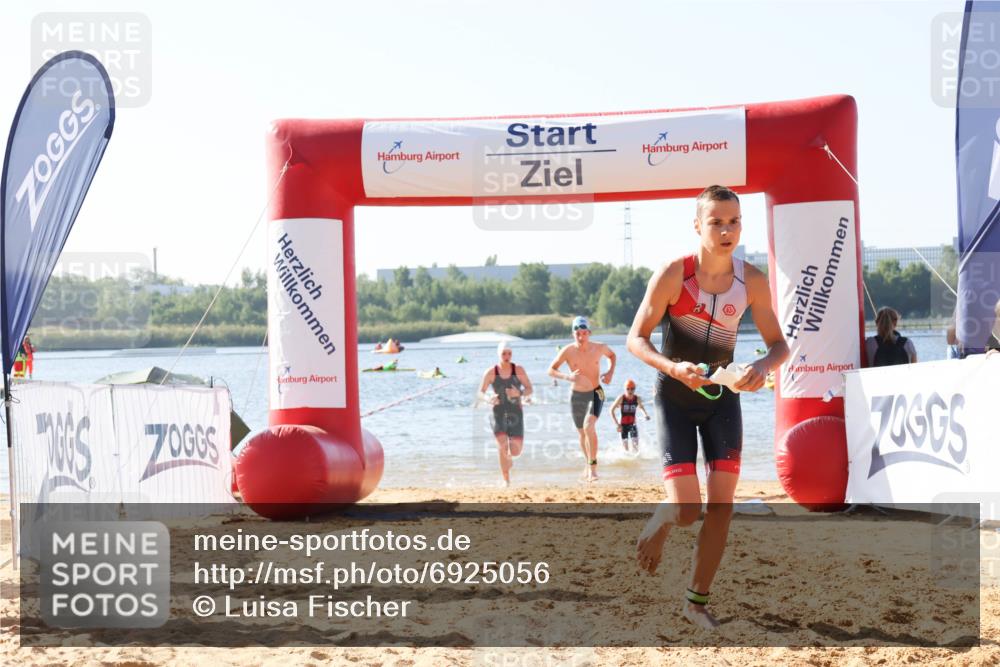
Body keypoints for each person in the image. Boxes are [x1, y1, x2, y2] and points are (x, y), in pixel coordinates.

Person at [626, 185, 789, 630]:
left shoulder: (751, 279)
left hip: (722, 402)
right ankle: (663, 519)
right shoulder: (673, 275)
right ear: (698, 226)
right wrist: (672, 367)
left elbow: (780, 346)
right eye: (716, 222)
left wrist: (760, 366)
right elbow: (635, 339)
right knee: (686, 510)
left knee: (721, 507)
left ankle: (695, 603)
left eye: (733, 221)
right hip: (675, 399)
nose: (725, 230)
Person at [548, 316, 616, 482]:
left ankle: (593, 469)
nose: (581, 337)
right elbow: (551, 370)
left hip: (595, 392)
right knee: (581, 432)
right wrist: (567, 376)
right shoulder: (567, 351)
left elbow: (612, 356)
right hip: (576, 396)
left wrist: (609, 373)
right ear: (573, 334)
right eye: (577, 333)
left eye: (584, 333)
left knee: (589, 426)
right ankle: (587, 464)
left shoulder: (599, 348)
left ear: (589, 333)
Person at [478, 341, 533, 487]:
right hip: (498, 412)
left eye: (509, 353)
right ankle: (506, 480)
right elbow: (480, 392)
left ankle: (509, 460)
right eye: (503, 353)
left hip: (516, 412)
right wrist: (488, 398)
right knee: (502, 446)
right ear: (499, 354)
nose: (507, 356)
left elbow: (529, 389)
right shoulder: (491, 372)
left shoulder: (518, 369)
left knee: (515, 451)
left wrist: (519, 393)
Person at [610, 379, 650, 453]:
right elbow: (611, 410)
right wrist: (617, 424)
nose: (630, 391)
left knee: (636, 449)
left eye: (632, 389)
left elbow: (641, 407)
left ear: (635, 389)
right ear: (625, 389)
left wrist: (645, 414)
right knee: (626, 450)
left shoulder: (637, 398)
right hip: (623, 425)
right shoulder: (621, 398)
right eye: (628, 389)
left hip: (632, 424)